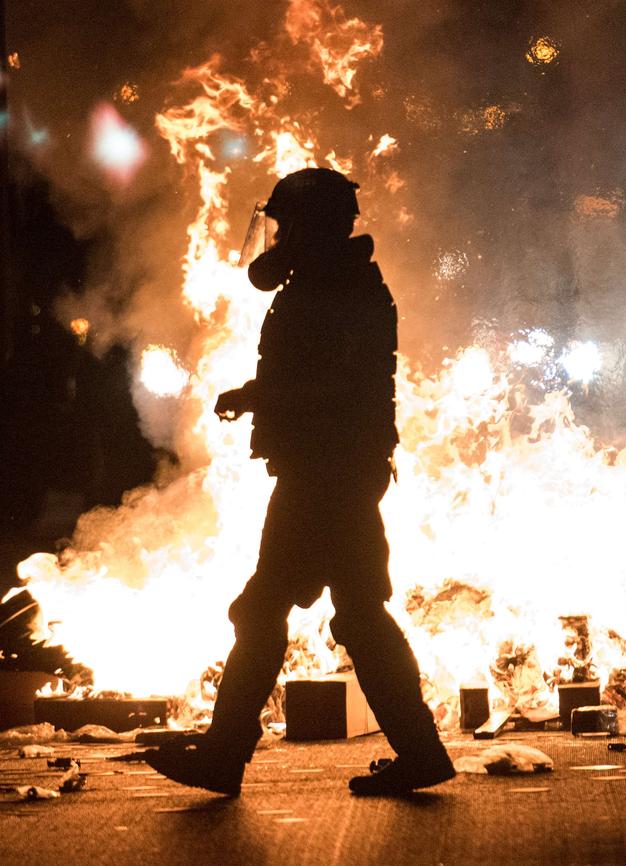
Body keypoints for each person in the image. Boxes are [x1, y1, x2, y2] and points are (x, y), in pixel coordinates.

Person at [145, 168, 455, 796]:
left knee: (263, 610)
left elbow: (335, 389)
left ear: (310, 227)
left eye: (286, 225)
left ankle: (224, 754)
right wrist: (261, 395)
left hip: (326, 473)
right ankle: (420, 752)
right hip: (336, 469)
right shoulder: (332, 282)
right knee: (361, 616)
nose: (278, 237)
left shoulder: (333, 289)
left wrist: (261, 396)